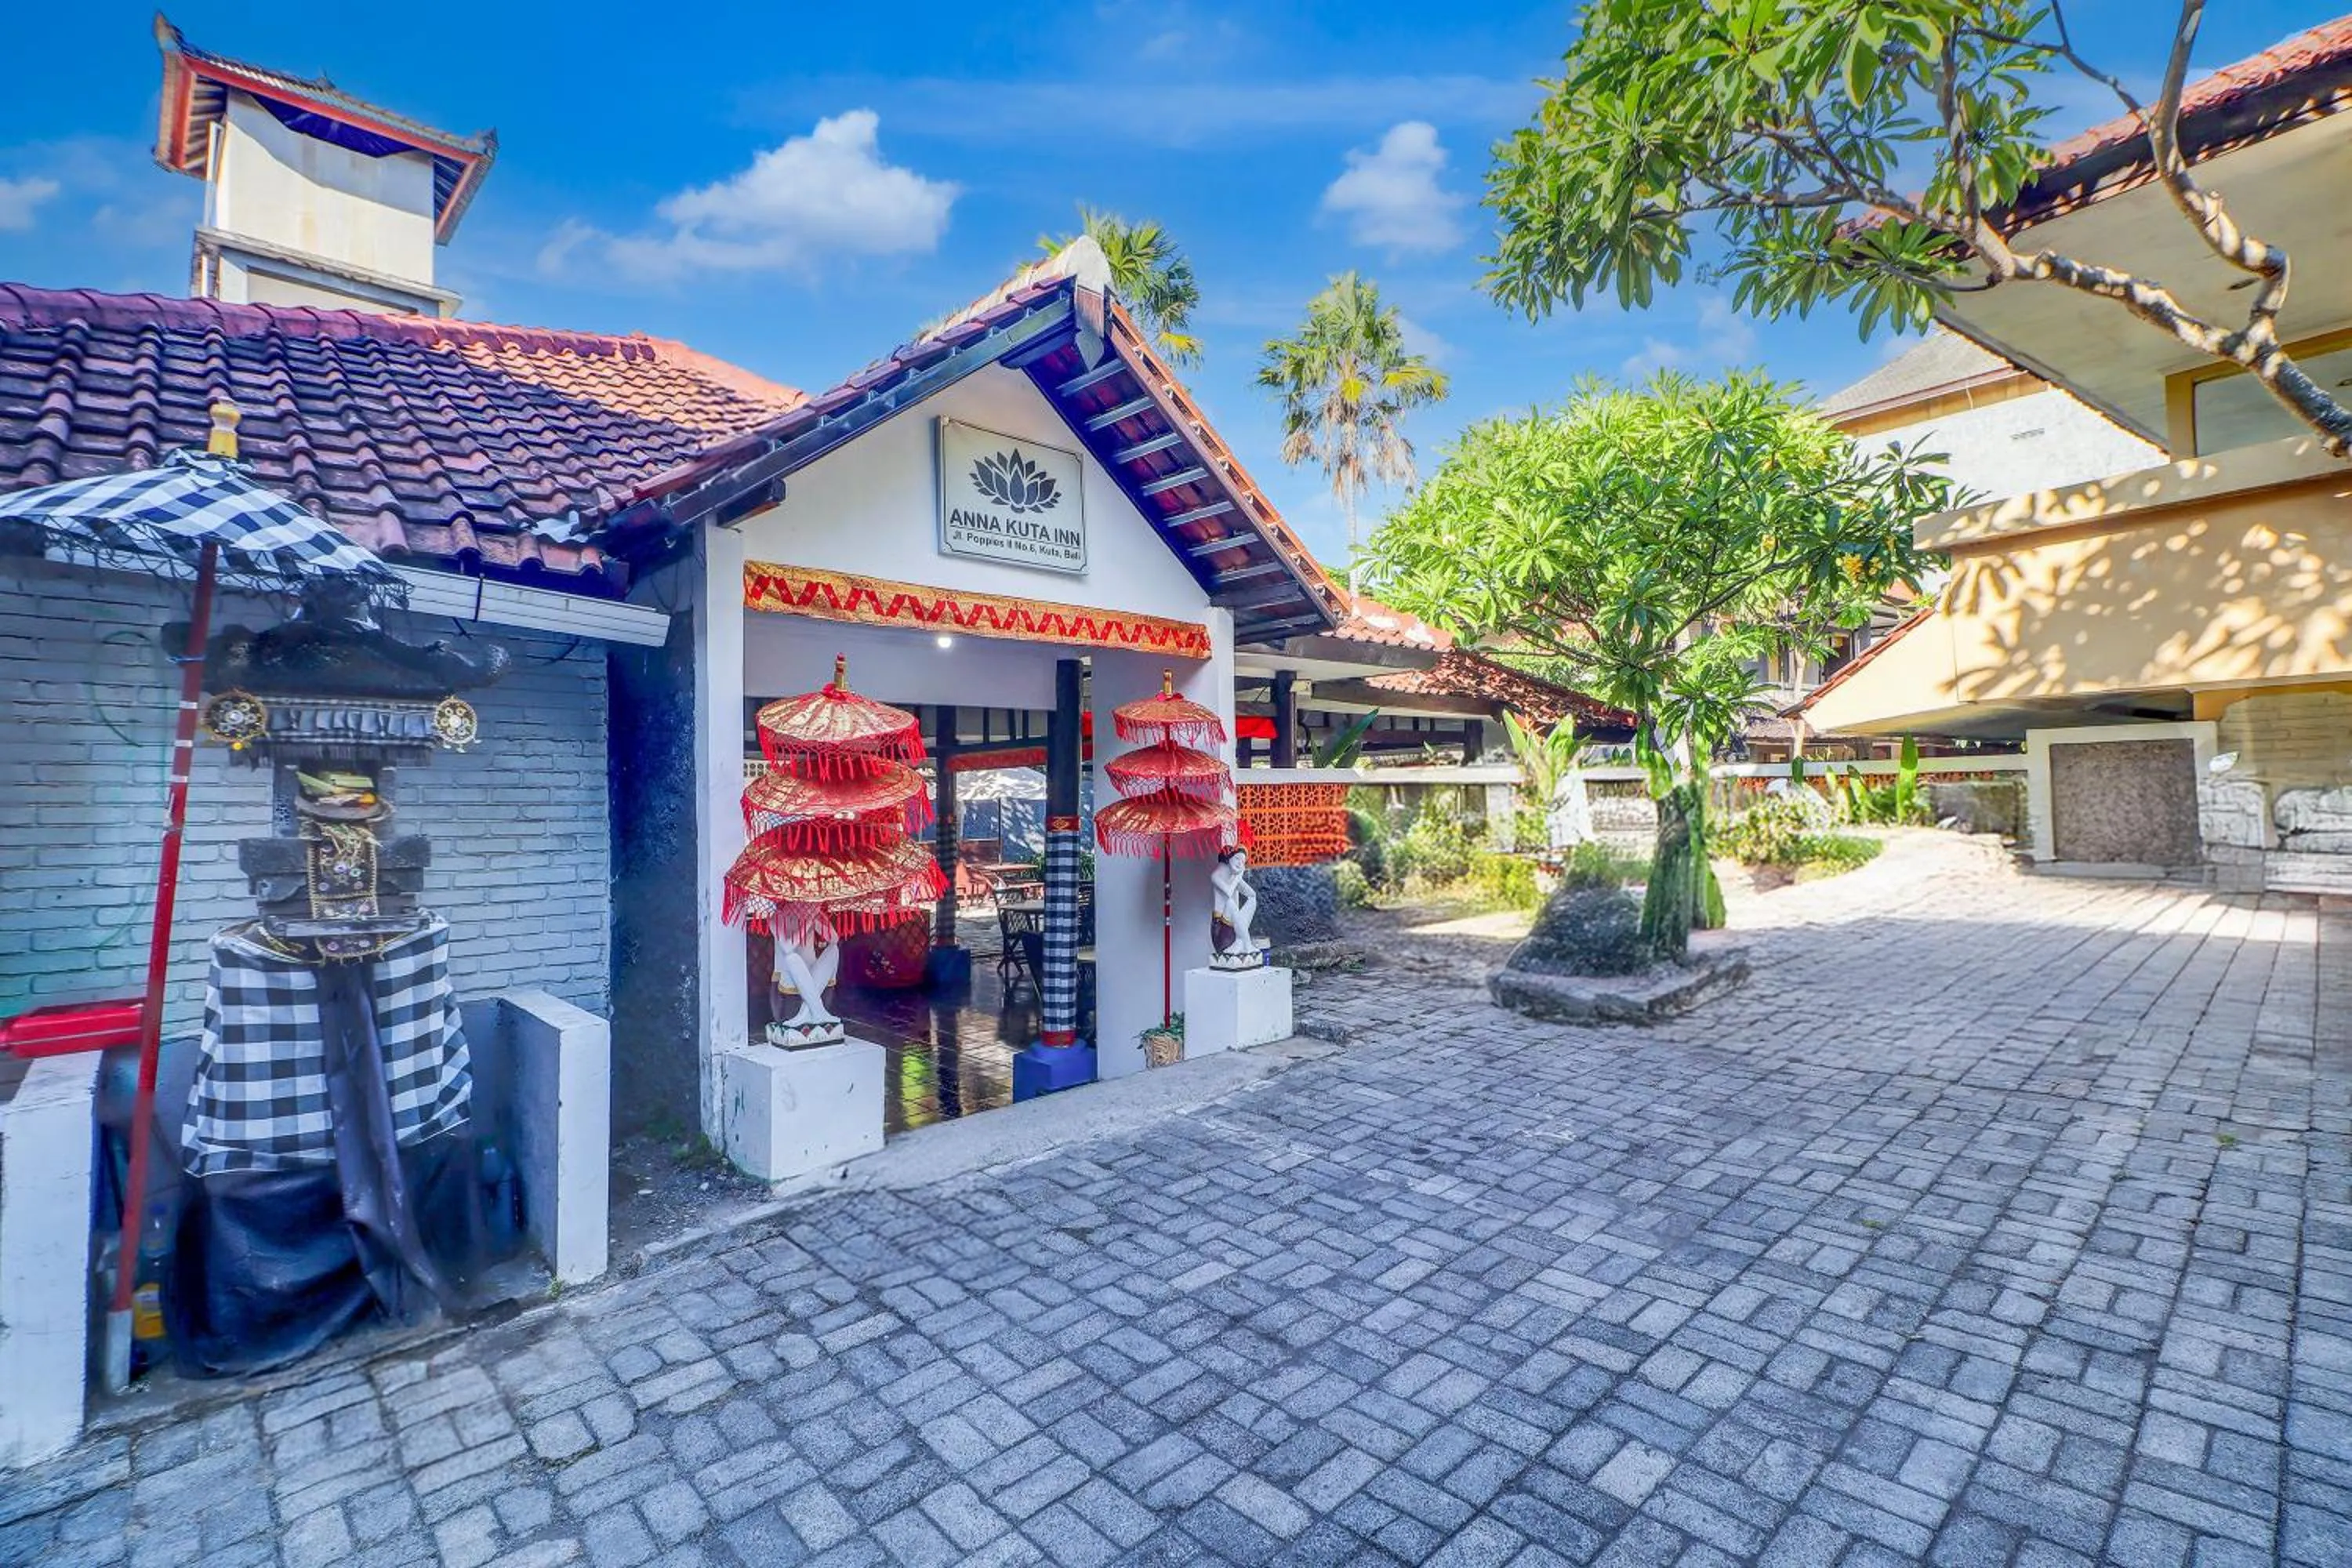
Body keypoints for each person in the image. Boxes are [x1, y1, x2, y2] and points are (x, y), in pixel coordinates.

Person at [1210, 845, 1259, 959]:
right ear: (1229, 858)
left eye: (1242, 862)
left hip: (1235, 927)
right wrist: (1239, 877)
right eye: (1237, 859)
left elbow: (1252, 894)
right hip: (1221, 930)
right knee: (1230, 903)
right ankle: (1247, 944)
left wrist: (1238, 878)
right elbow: (1228, 893)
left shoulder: (1234, 877)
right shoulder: (1216, 876)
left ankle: (1240, 941)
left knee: (1252, 900)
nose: (1239, 864)